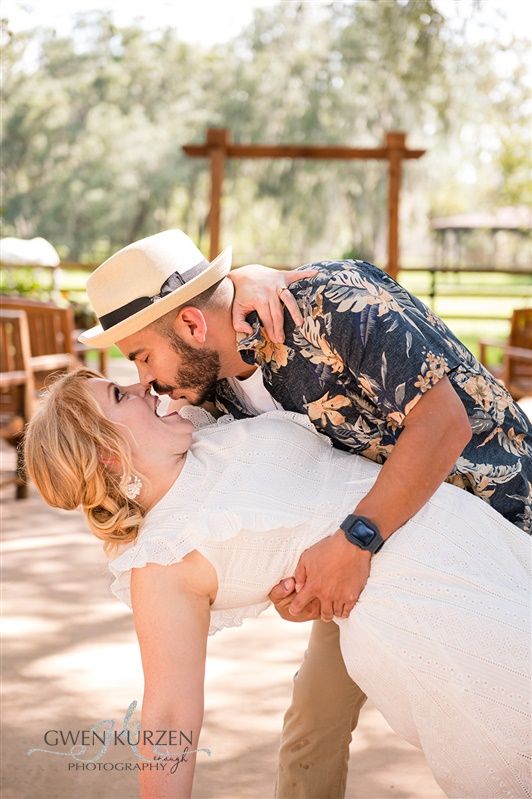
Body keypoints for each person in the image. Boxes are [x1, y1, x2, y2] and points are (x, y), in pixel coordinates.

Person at [75, 228, 531, 799]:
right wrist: (292, 584)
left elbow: (444, 425)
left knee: (497, 716)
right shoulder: (211, 391)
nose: (145, 381)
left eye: (143, 355)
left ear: (191, 326)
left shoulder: (334, 305)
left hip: (497, 517)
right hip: (368, 559)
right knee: (312, 729)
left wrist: (352, 545)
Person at [23, 368, 531, 799]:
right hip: (428, 613)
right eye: (119, 396)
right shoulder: (162, 562)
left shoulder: (202, 430)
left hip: (474, 538)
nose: (141, 387)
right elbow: (169, 710)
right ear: (108, 453)